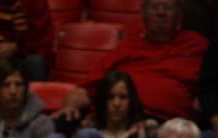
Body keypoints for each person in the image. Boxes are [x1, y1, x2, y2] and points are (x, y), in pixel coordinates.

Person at [60, 0, 207, 125]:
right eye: (154, 7)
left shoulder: (198, 45)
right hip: (122, 122)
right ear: (143, 13)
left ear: (179, 14)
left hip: (171, 128)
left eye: (168, 7)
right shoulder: (126, 47)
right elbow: (88, 88)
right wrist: (71, 106)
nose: (161, 12)